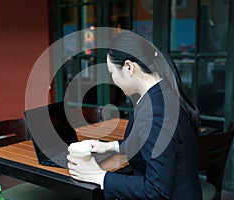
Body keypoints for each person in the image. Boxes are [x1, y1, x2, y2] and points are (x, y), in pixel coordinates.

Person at [67, 31, 202, 200]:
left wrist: (98, 176)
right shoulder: (160, 93)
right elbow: (147, 142)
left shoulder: (156, 111)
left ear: (129, 67)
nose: (113, 79)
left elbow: (156, 191)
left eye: (112, 72)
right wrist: (111, 146)